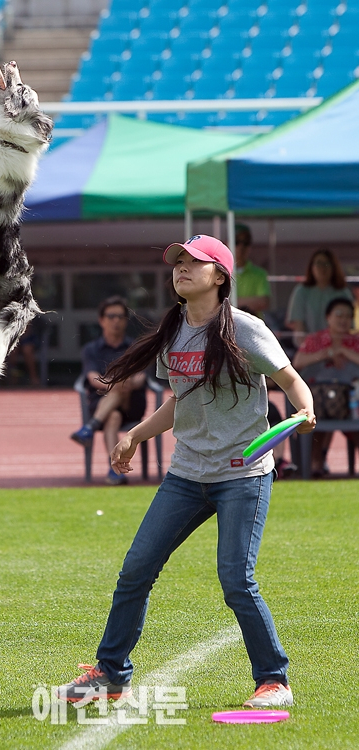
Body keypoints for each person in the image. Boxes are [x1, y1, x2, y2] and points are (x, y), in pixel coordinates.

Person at [57, 234, 315, 708]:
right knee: (136, 569)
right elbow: (180, 403)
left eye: (193, 262)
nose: (181, 268)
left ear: (220, 276)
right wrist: (135, 434)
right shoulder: (172, 333)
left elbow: (290, 379)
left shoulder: (245, 328)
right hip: (187, 474)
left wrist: (304, 411)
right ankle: (111, 676)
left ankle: (273, 680)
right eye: (177, 262)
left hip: (243, 473)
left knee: (237, 579)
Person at [70, 296, 147, 486]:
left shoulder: (134, 347)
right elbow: (92, 377)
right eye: (111, 316)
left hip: (132, 403)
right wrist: (114, 384)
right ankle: (115, 471)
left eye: (120, 317)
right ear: (101, 320)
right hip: (104, 403)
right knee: (113, 416)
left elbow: (141, 376)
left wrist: (127, 383)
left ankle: (90, 427)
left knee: (120, 387)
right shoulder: (91, 349)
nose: (116, 321)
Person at [293, 297, 359, 477]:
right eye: (339, 314)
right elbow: (298, 362)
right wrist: (327, 353)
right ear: (328, 317)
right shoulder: (315, 339)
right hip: (320, 401)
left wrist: (344, 351)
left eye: (348, 316)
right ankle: (316, 462)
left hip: (352, 401)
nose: (344, 319)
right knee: (316, 412)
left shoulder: (356, 340)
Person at [286, 248, 353, 346]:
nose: (322, 268)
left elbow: (348, 326)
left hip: (338, 350)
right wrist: (307, 349)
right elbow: (298, 324)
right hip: (308, 349)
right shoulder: (301, 291)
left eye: (327, 264)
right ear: (311, 267)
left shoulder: (343, 292)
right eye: (319, 263)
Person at [234, 223, 271, 316]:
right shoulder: (220, 273)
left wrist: (232, 302)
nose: (241, 247)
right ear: (227, 242)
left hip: (253, 327)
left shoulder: (260, 273)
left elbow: (263, 302)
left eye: (246, 242)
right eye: (236, 242)